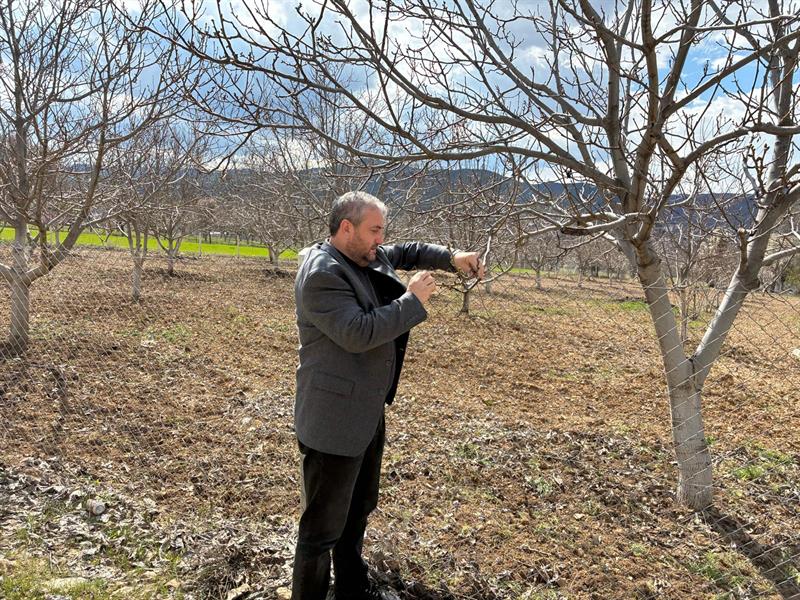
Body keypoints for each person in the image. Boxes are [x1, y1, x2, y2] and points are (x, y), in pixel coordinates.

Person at [291, 191, 484, 600]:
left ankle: (351, 587)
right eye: (375, 230)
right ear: (347, 228)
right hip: (332, 422)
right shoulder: (322, 274)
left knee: (357, 511)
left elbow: (409, 251)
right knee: (320, 532)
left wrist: (453, 257)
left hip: (364, 411)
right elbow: (358, 333)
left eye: (383, 231)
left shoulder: (362, 255)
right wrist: (412, 301)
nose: (382, 239)